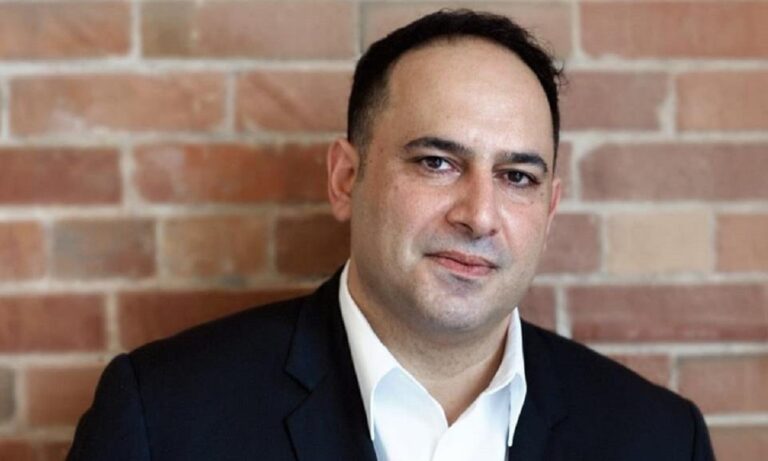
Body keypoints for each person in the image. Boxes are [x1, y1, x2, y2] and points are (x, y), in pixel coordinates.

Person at [67, 10, 715, 461]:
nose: (479, 215)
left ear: (550, 210)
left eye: (517, 176)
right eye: (437, 162)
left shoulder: (658, 438)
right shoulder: (163, 418)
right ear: (345, 178)